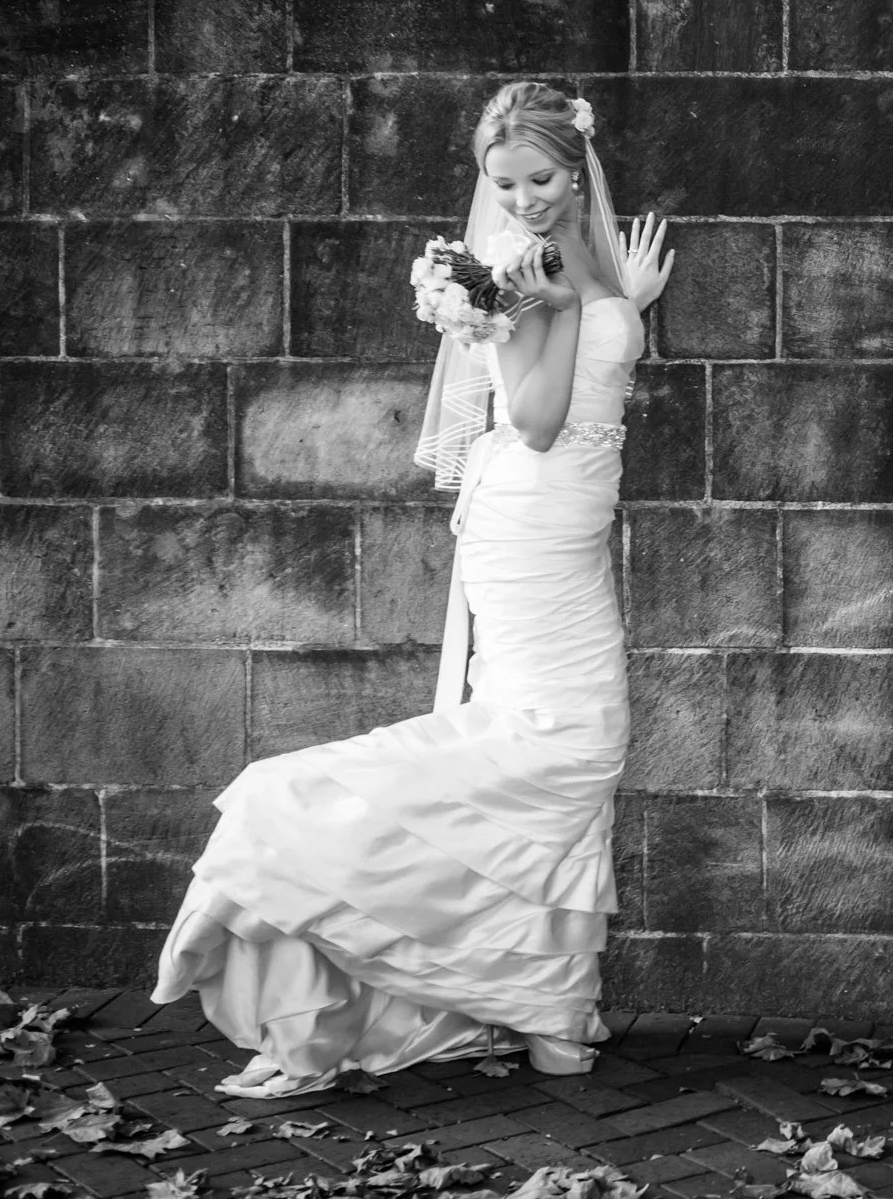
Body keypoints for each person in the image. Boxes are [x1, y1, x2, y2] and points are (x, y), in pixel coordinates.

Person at [152, 82, 673, 1097]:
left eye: (539, 178)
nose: (521, 199)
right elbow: (535, 421)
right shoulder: (516, 276)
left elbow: (592, 372)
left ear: (577, 172)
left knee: (572, 748)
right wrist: (566, 307)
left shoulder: (571, 259)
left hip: (564, 526)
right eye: (502, 183)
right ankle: (300, 849)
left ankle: (551, 1011)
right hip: (530, 520)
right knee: (560, 742)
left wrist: (622, 303)